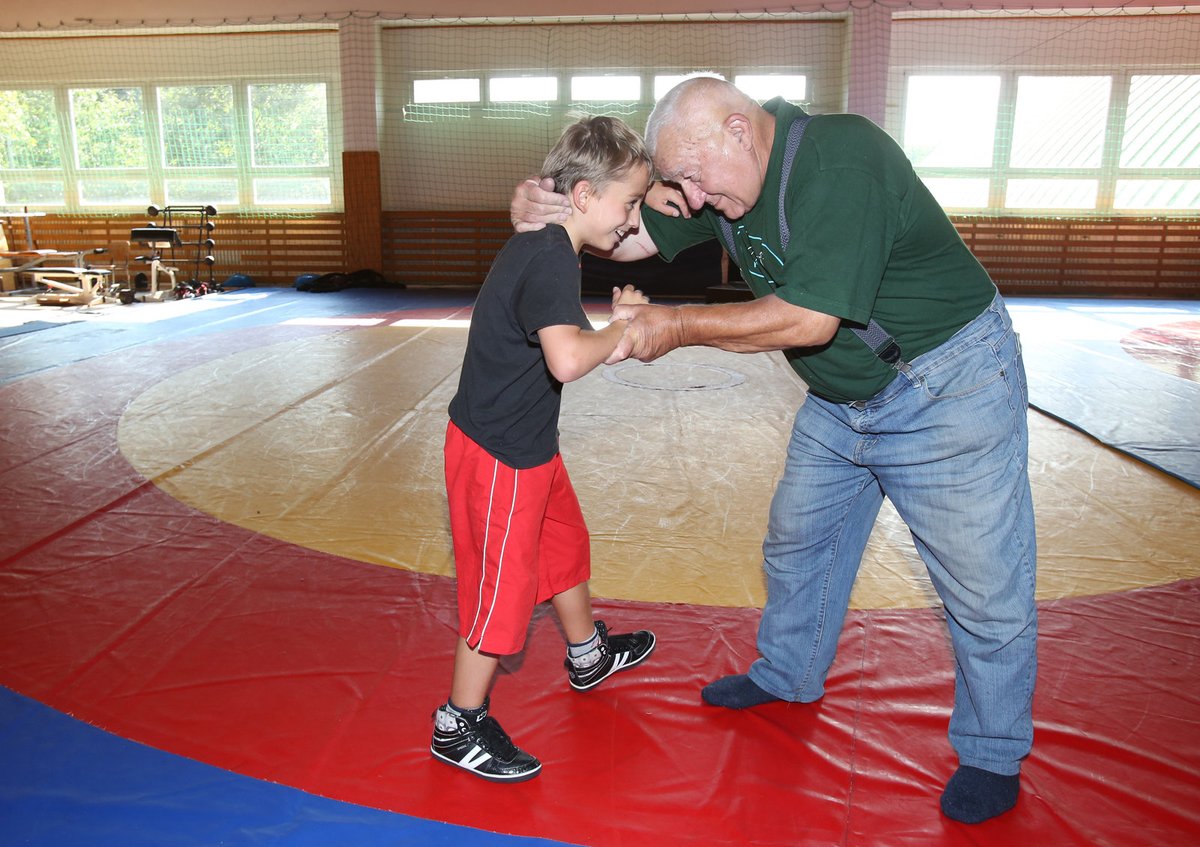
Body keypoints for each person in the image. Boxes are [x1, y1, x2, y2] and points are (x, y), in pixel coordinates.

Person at [511, 74, 1037, 823]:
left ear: (737, 129)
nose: (687, 198)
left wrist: (679, 325)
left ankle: (992, 748)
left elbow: (811, 319)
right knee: (799, 541)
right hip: (843, 396)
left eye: (691, 178)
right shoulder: (723, 186)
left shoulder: (843, 160)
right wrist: (551, 213)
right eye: (676, 183)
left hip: (946, 384)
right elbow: (627, 235)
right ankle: (790, 672)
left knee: (983, 582)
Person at [434, 115, 658, 783]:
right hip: (499, 455)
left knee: (562, 544)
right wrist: (618, 331)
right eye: (631, 203)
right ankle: (458, 721)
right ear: (586, 195)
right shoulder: (551, 253)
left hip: (526, 445)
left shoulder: (548, 248)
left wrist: (605, 336)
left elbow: (559, 343)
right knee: (501, 594)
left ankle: (587, 653)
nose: (632, 218)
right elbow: (565, 358)